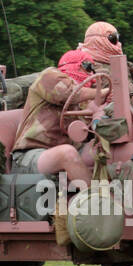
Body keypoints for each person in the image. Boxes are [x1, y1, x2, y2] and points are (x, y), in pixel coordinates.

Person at [9, 48, 108, 186]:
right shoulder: (49, 77)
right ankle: (97, 202)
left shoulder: (84, 98)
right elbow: (68, 93)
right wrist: (103, 92)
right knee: (67, 154)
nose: (91, 74)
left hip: (67, 151)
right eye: (88, 68)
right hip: (30, 155)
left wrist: (98, 114)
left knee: (102, 147)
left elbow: (84, 132)